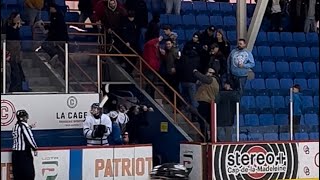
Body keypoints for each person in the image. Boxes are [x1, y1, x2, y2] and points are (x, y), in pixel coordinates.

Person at [193, 68, 220, 139]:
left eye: (210, 72)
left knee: (202, 120)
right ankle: (213, 137)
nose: (207, 74)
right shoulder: (214, 81)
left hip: (205, 102)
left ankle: (204, 137)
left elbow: (202, 78)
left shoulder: (211, 80)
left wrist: (196, 72)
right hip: (209, 102)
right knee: (210, 121)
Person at [12, 109, 38, 180]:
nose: (26, 119)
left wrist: (30, 127)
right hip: (23, 154)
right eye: (25, 117)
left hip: (15, 154)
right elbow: (29, 138)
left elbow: (21, 132)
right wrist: (35, 148)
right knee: (29, 175)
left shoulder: (15, 126)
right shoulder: (24, 125)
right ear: (23, 118)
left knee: (18, 175)